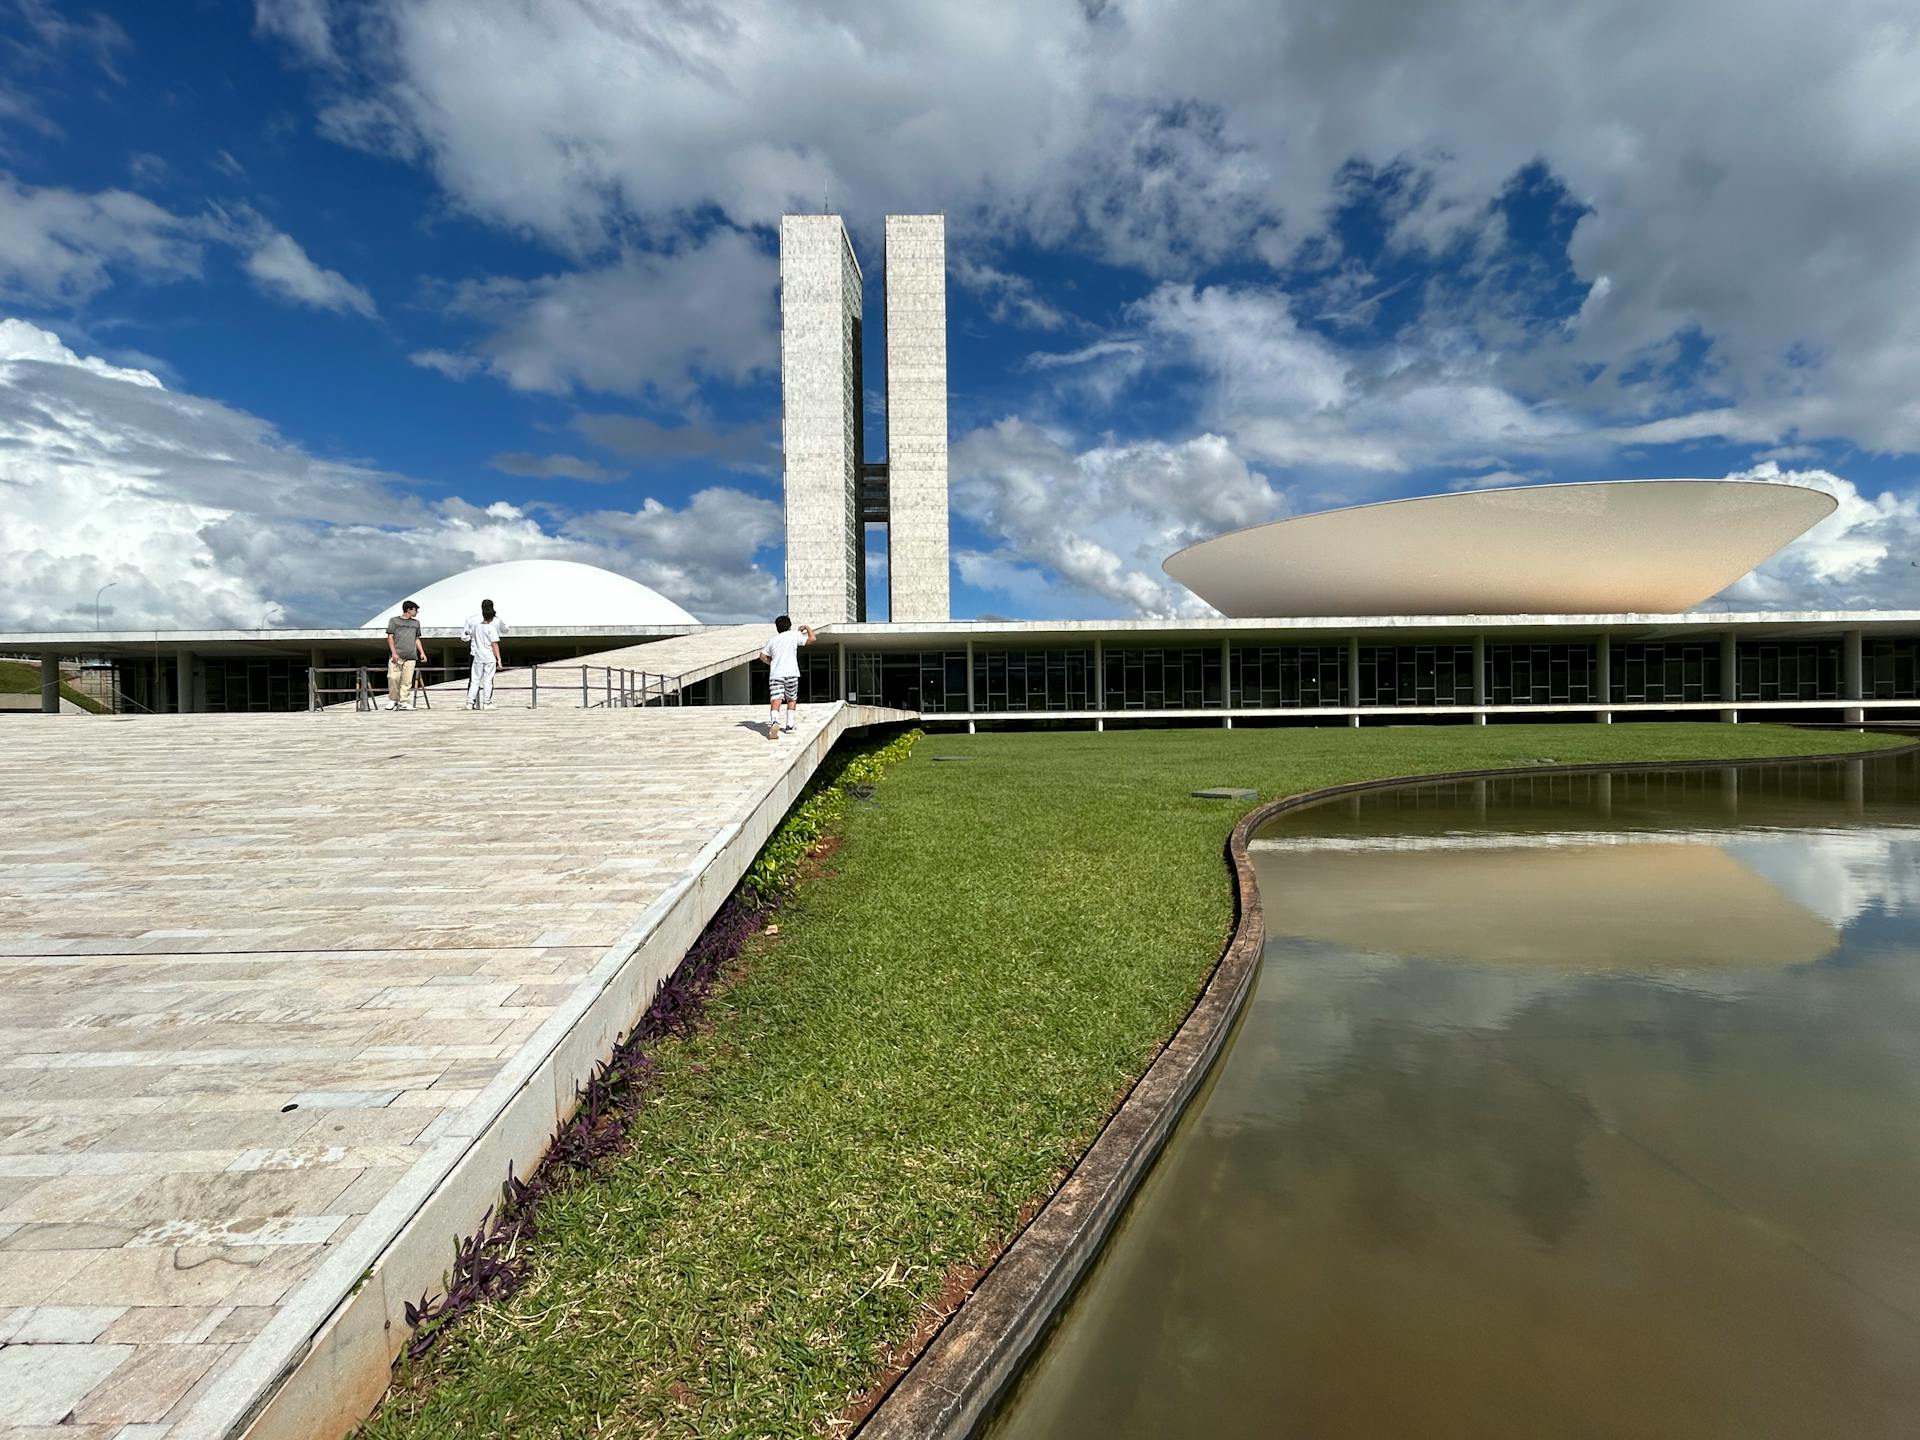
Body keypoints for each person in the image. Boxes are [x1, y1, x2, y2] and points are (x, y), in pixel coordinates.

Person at [759, 614, 814, 739]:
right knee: (791, 699)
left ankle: (774, 721)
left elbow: (762, 656)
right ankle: (789, 726)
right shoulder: (794, 635)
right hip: (791, 673)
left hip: (776, 674)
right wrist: (807, 628)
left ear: (777, 627)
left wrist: (771, 662)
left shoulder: (773, 640)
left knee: (776, 699)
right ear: (789, 626)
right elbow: (812, 639)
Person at [384, 600, 430, 711]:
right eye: (415, 610)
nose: (417, 612)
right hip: (397, 656)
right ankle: (392, 699)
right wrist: (394, 653)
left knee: (407, 680)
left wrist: (422, 652)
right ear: (409, 609)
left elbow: (416, 638)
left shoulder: (416, 623)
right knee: (393, 677)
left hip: (411, 656)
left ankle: (404, 702)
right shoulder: (394, 621)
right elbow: (390, 637)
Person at [462, 599, 505, 709]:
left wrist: (468, 632)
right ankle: (487, 702)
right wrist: (498, 659)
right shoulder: (491, 628)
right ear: (491, 618)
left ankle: (469, 702)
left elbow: (467, 633)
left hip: (477, 656)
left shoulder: (476, 627)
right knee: (487, 680)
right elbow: (494, 644)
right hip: (489, 656)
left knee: (474, 680)